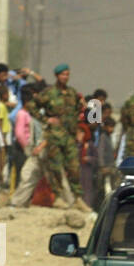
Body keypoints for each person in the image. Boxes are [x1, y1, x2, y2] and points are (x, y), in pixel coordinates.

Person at [33, 63, 91, 210]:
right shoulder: (49, 92)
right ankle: (58, 197)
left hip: (70, 137)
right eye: (62, 74)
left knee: (74, 167)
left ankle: (77, 198)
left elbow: (79, 111)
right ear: (57, 76)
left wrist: (79, 126)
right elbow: (31, 106)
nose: (65, 77)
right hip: (54, 136)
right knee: (56, 167)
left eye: (67, 74)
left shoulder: (72, 93)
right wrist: (45, 119)